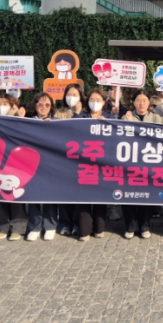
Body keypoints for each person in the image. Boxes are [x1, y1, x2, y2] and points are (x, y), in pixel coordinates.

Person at [122, 90, 163, 239]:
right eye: (138, 100)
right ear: (133, 102)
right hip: (130, 164)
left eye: (144, 100)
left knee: (146, 195)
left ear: (149, 102)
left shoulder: (155, 118)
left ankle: (144, 226)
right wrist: (126, 122)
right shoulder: (127, 117)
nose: (141, 103)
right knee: (128, 195)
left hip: (149, 165)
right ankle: (130, 225)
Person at [75, 88, 113, 241]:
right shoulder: (81, 117)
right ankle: (84, 230)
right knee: (84, 197)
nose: (95, 103)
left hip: (103, 163)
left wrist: (109, 124)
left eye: (98, 100)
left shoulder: (110, 117)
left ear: (104, 102)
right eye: (92, 99)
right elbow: (70, 130)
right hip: (84, 162)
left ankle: (99, 228)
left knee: (100, 196)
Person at [0, 93, 27, 241]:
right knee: (0, 196)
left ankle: (18, 227)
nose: (2, 107)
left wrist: (17, 116)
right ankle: (3, 226)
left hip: (16, 164)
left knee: (15, 196)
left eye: (5, 104)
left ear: (12, 106)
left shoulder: (19, 120)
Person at [25, 92, 59, 241]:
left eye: (47, 104)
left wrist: (52, 128)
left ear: (51, 107)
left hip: (50, 165)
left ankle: (50, 225)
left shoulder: (57, 122)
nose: (43, 107)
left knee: (49, 195)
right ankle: (35, 226)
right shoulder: (27, 122)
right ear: (35, 105)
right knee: (32, 195)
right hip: (31, 165)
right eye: (40, 104)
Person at [55, 84, 86, 236]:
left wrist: (78, 113)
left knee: (78, 194)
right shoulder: (58, 113)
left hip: (81, 160)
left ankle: (76, 223)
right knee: (63, 193)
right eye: (69, 94)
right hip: (63, 159)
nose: (71, 97)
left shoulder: (86, 114)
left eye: (75, 94)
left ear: (81, 97)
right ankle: (64, 223)